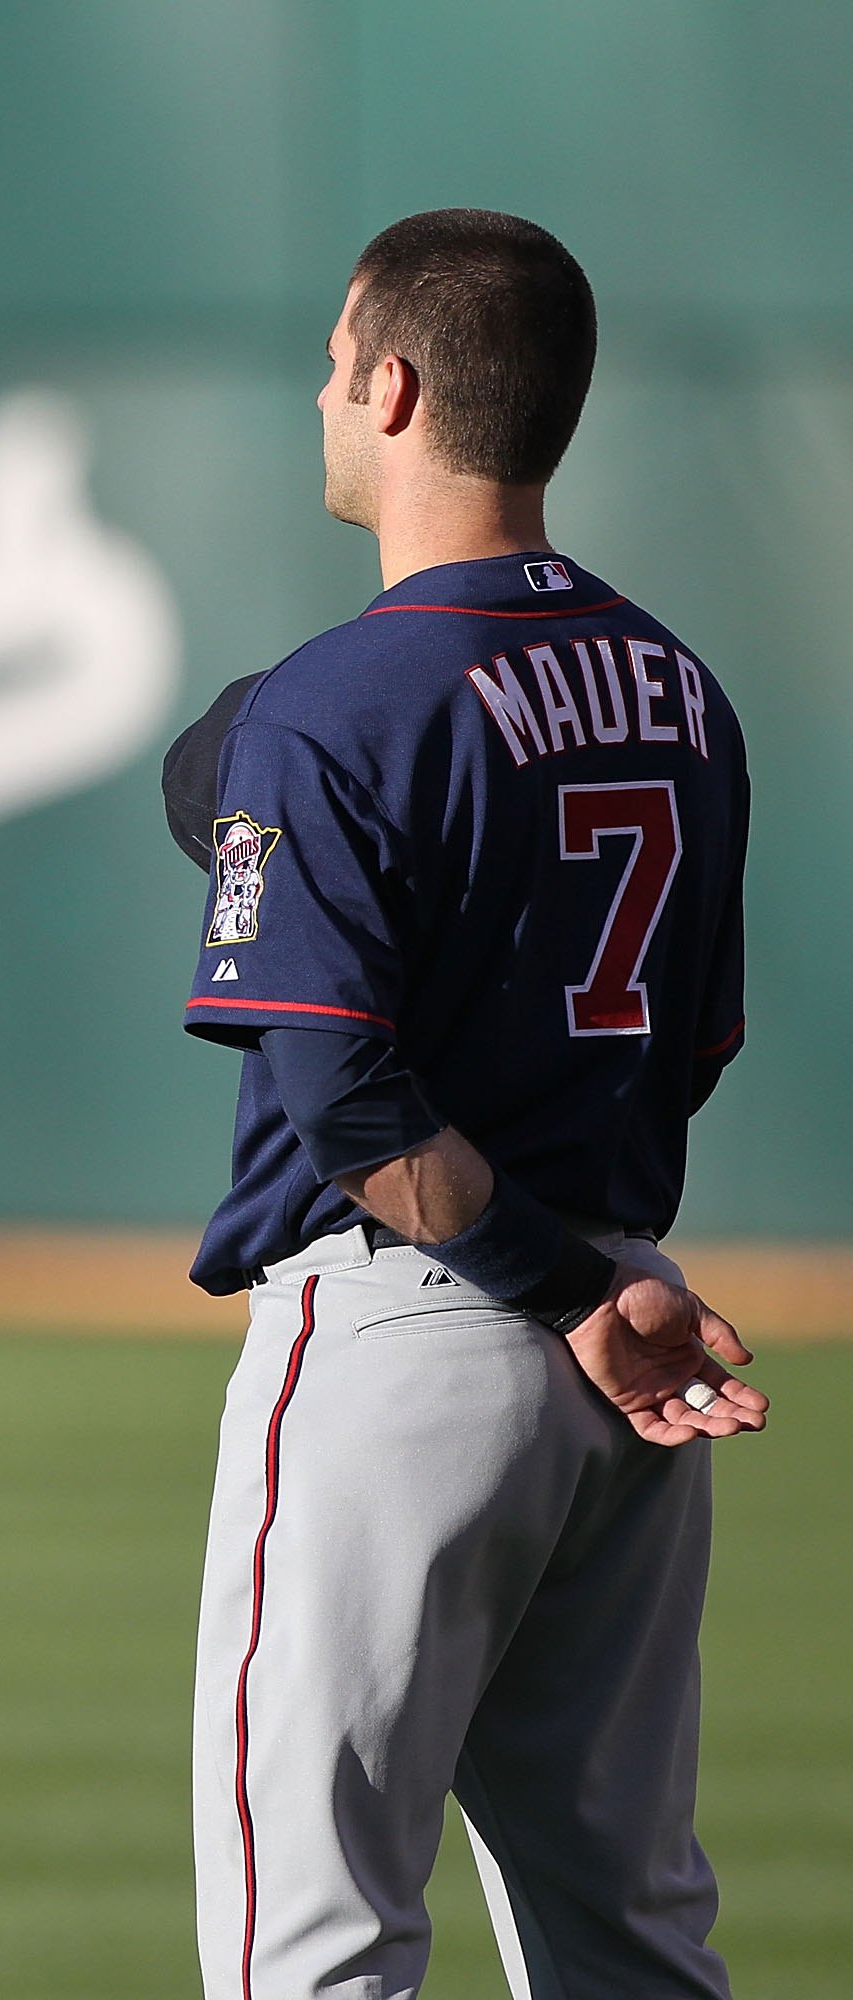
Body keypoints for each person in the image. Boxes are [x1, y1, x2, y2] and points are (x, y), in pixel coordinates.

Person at [177, 209, 764, 1999]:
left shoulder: (337, 706)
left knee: (319, 1949)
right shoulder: (684, 691)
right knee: (628, 1944)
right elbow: (696, 1044)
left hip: (418, 1335)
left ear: (400, 382)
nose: (324, 390)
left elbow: (343, 1096)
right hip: (627, 1341)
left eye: (339, 358)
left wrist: (563, 1295)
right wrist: (602, 1283)